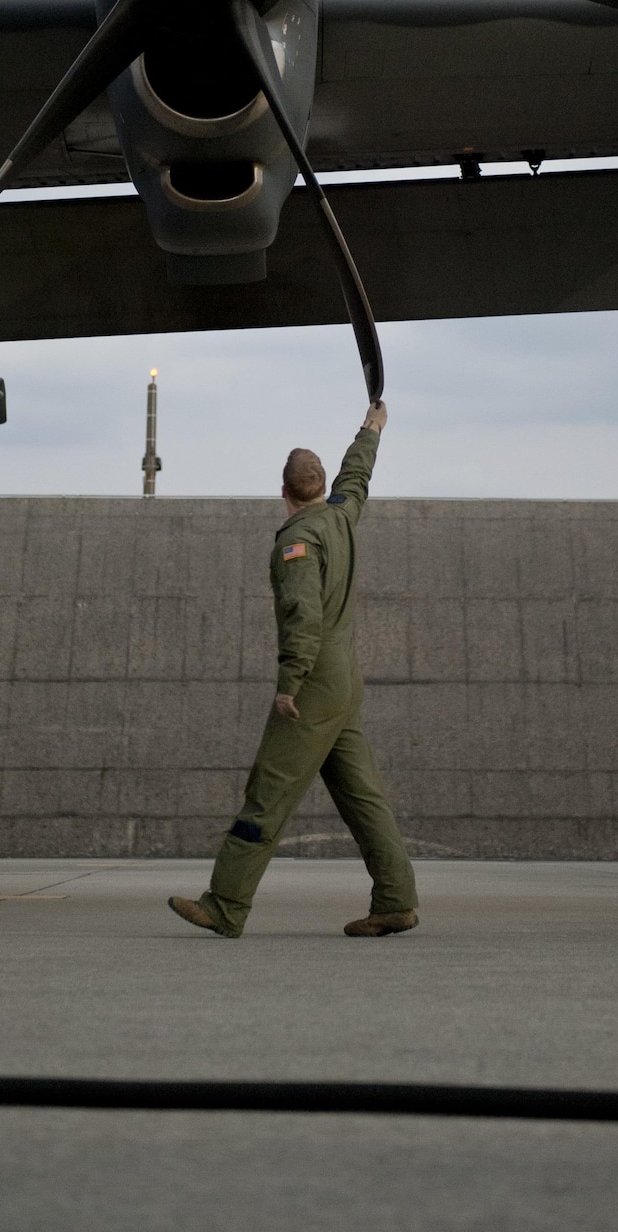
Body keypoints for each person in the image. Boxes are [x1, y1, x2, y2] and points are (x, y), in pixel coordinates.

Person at [169, 399, 419, 939]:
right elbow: (358, 474)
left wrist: (290, 684)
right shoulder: (343, 513)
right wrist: (371, 427)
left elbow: (302, 615)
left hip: (313, 683)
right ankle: (396, 900)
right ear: (321, 484)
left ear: (282, 491)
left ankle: (226, 904)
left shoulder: (298, 540)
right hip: (345, 680)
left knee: (269, 789)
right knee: (362, 796)